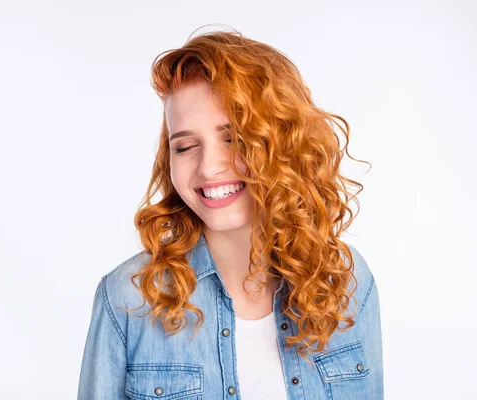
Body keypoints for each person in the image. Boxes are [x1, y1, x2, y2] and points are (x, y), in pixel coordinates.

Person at [77, 27, 383, 400]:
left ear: (284, 142)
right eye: (186, 146)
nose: (209, 168)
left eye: (233, 138)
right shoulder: (127, 299)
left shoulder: (347, 282)